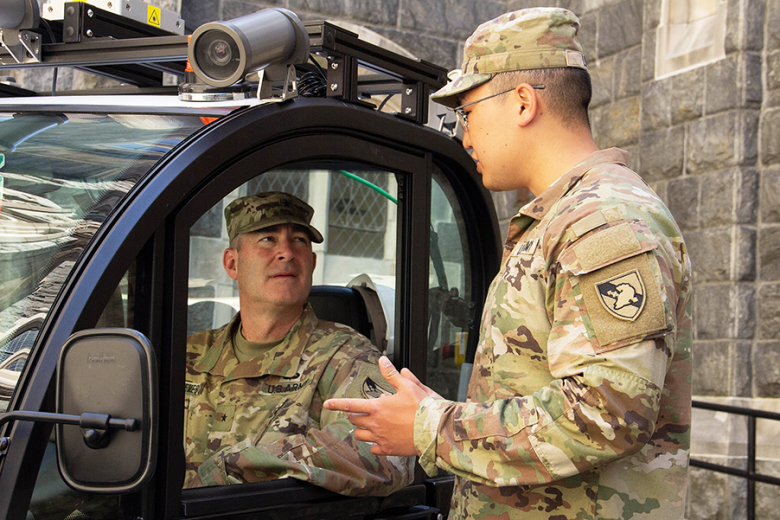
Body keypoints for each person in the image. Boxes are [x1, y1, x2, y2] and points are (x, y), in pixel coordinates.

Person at [325, 8, 692, 520]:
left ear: (522, 103)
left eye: (467, 112)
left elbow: (606, 415)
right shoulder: (560, 219)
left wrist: (430, 425)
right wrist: (447, 414)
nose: (462, 134)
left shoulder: (604, 224)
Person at [183, 192, 414, 495]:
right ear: (232, 263)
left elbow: (384, 452)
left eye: (300, 241)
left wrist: (235, 467)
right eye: (267, 239)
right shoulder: (189, 355)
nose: (287, 253)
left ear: (312, 262)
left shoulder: (345, 356)